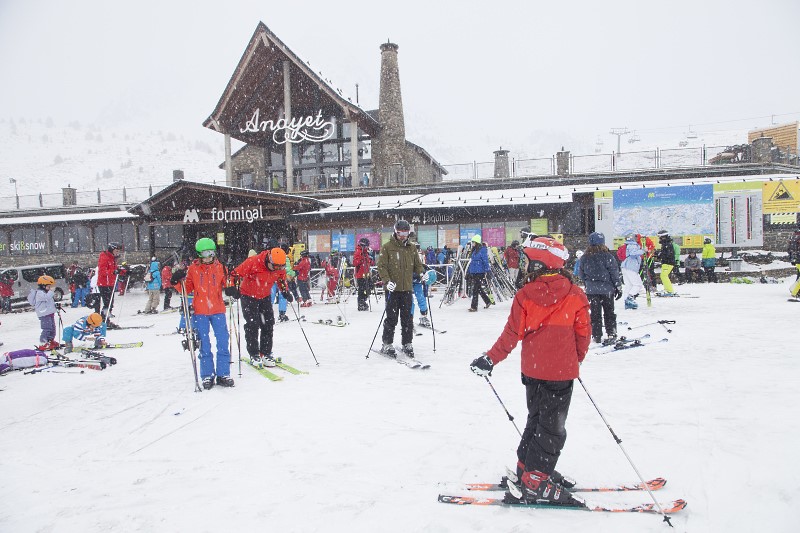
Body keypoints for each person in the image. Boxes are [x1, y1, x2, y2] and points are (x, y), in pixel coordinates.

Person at [469, 236, 590, 506]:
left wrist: (491, 358)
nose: (524, 264)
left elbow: (512, 333)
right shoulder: (574, 294)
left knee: (536, 421)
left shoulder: (525, 295)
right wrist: (574, 360)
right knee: (553, 429)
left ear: (538, 262)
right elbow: (583, 335)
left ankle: (528, 468)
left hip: (533, 370)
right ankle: (536, 480)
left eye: (527, 260)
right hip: (560, 373)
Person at [171, 238, 234, 389]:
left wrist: (232, 286)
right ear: (199, 255)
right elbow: (187, 289)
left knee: (223, 341)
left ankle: (223, 373)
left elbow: (228, 282)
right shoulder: (193, 269)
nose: (208, 257)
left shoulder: (220, 267)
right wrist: (176, 281)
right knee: (204, 344)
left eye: (211, 253)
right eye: (205, 254)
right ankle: (207, 375)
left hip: (218, 309)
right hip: (200, 311)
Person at [230, 247, 290, 367]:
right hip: (248, 296)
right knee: (253, 324)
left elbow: (281, 278)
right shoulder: (253, 262)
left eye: (280, 267)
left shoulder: (279, 267)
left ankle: (266, 352)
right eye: (275, 267)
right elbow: (235, 274)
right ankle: (254, 354)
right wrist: (234, 288)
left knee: (268, 323)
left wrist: (284, 290)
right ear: (269, 260)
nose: (277, 269)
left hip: (265, 296)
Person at [377, 219, 425, 358]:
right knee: (391, 318)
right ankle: (387, 343)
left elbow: (417, 265)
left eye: (405, 233)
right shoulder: (387, 247)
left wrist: (422, 273)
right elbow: (382, 266)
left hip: (407, 289)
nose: (402, 236)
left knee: (407, 319)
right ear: (395, 232)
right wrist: (387, 281)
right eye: (400, 233)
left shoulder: (411, 248)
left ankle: (407, 343)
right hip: (393, 290)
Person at [578, 232, 621, 343]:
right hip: (607, 289)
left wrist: (588, 282)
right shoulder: (608, 256)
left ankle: (596, 335)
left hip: (592, 290)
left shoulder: (585, 257)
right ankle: (611, 332)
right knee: (609, 312)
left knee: (595, 313)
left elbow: (581, 274)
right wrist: (618, 286)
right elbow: (614, 273)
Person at [27, 275, 58, 350]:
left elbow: (49, 302)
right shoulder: (40, 293)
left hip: (49, 313)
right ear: (43, 286)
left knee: (52, 328)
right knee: (47, 328)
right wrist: (51, 291)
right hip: (44, 314)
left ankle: (50, 341)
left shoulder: (45, 292)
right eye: (48, 286)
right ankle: (43, 342)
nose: (50, 288)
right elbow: (46, 298)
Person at [467, 235, 492, 312]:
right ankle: (487, 301)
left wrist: (488, 271)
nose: (472, 243)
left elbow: (485, 261)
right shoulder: (474, 250)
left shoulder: (482, 250)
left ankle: (474, 306)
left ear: (477, 242)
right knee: (478, 288)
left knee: (475, 289)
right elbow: (472, 262)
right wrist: (469, 272)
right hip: (474, 272)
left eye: (474, 242)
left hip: (480, 272)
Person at [619, 234, 645, 309]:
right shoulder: (633, 245)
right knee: (638, 285)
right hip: (631, 267)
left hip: (625, 266)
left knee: (629, 285)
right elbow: (633, 254)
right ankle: (630, 298)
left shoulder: (627, 245)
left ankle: (627, 301)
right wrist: (643, 250)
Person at [97, 242, 121, 321]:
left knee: (110, 303)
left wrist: (123, 271)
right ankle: (103, 320)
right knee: (107, 303)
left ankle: (106, 319)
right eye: (116, 251)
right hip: (104, 284)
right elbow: (102, 271)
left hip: (110, 283)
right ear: (111, 249)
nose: (118, 253)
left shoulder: (112, 258)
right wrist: (113, 272)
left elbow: (115, 269)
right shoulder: (105, 257)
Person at [353, 237, 374, 311]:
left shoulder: (365, 253)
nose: (368, 247)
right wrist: (362, 258)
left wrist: (370, 259)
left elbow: (369, 262)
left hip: (366, 273)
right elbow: (355, 263)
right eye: (367, 246)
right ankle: (361, 303)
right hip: (360, 274)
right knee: (362, 290)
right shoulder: (358, 252)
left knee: (369, 287)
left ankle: (364, 300)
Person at [656, 230, 678, 295]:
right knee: (663, 276)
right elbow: (665, 253)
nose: (659, 238)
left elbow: (667, 254)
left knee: (664, 276)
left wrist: (659, 254)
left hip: (668, 262)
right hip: (666, 262)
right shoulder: (665, 243)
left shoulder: (667, 244)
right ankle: (667, 289)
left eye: (659, 237)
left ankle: (669, 290)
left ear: (663, 237)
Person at [787, 224, 800, 300]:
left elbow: (789, 249)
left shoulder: (793, 236)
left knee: (799, 276)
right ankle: (795, 292)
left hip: (796, 259)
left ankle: (795, 291)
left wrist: (792, 257)